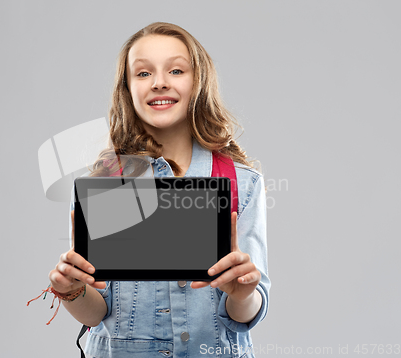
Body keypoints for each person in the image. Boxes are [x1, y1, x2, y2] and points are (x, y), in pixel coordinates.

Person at [48, 22, 270, 358]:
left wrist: (241, 293)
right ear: (128, 89)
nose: (159, 82)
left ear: (198, 82)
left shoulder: (243, 183)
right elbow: (98, 313)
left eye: (176, 70)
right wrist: (73, 291)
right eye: (142, 73)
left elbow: (248, 313)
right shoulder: (105, 186)